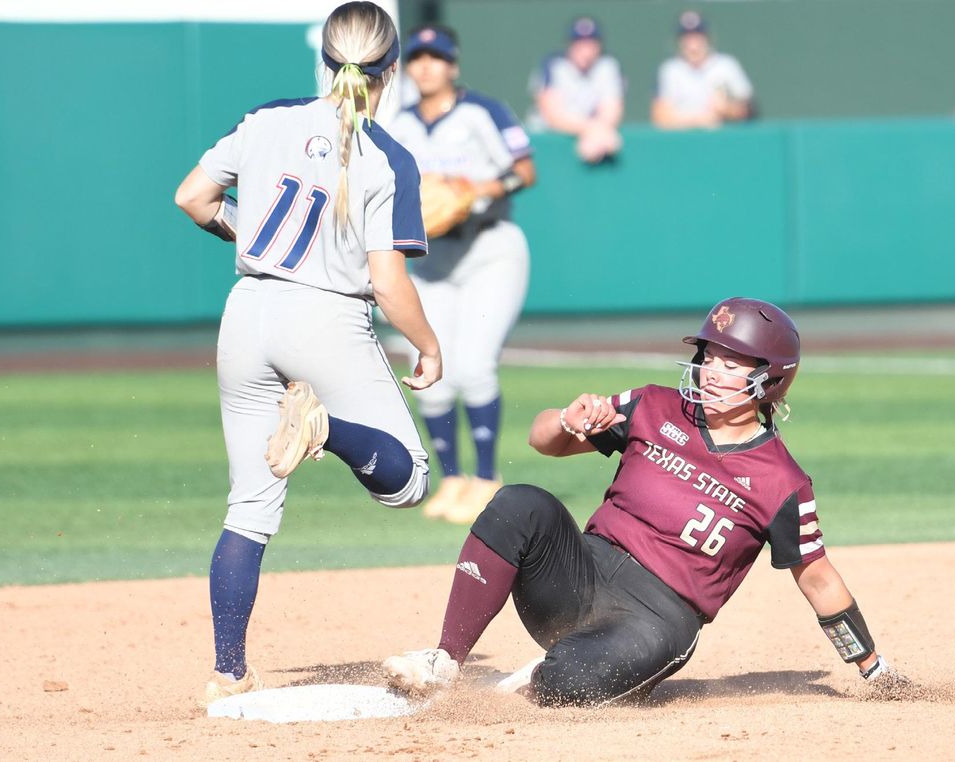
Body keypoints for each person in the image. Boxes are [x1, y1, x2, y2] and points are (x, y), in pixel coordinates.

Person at [382, 298, 907, 707]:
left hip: (657, 618)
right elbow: (542, 441)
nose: (711, 370)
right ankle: (445, 660)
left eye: (732, 362)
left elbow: (816, 577)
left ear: (769, 379)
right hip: (581, 573)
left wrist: (872, 666)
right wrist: (569, 418)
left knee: (570, 684)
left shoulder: (782, 481)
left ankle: (547, 672)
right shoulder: (654, 405)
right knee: (519, 503)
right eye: (710, 356)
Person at [174, 1, 442, 707]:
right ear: (390, 71)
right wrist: (428, 343)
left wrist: (243, 235)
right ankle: (324, 429)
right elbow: (387, 279)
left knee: (250, 506)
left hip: (248, 310)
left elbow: (193, 198)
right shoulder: (387, 155)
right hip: (323, 315)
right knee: (410, 479)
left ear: (326, 60)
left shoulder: (265, 120)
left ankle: (228, 670)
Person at [389, 25, 537, 525]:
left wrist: (475, 189)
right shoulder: (399, 124)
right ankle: (452, 477)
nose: (426, 66)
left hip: (487, 247)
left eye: (436, 57)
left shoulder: (482, 112)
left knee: (473, 365)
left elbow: (525, 171)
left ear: (453, 65)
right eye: (418, 58)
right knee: (429, 373)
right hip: (428, 258)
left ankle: (487, 480)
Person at [528, 16, 625, 164]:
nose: (585, 51)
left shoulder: (608, 66)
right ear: (569, 45)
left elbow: (612, 110)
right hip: (545, 146)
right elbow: (553, 116)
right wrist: (595, 132)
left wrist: (596, 134)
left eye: (591, 44)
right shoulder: (553, 65)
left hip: (594, 139)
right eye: (579, 45)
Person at [651, 11, 755, 130]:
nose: (693, 44)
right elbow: (660, 116)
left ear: (707, 38)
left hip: (720, 138)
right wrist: (700, 120)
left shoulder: (726, 65)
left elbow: (748, 109)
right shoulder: (670, 70)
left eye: (697, 37)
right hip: (681, 140)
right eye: (687, 38)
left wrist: (727, 109)